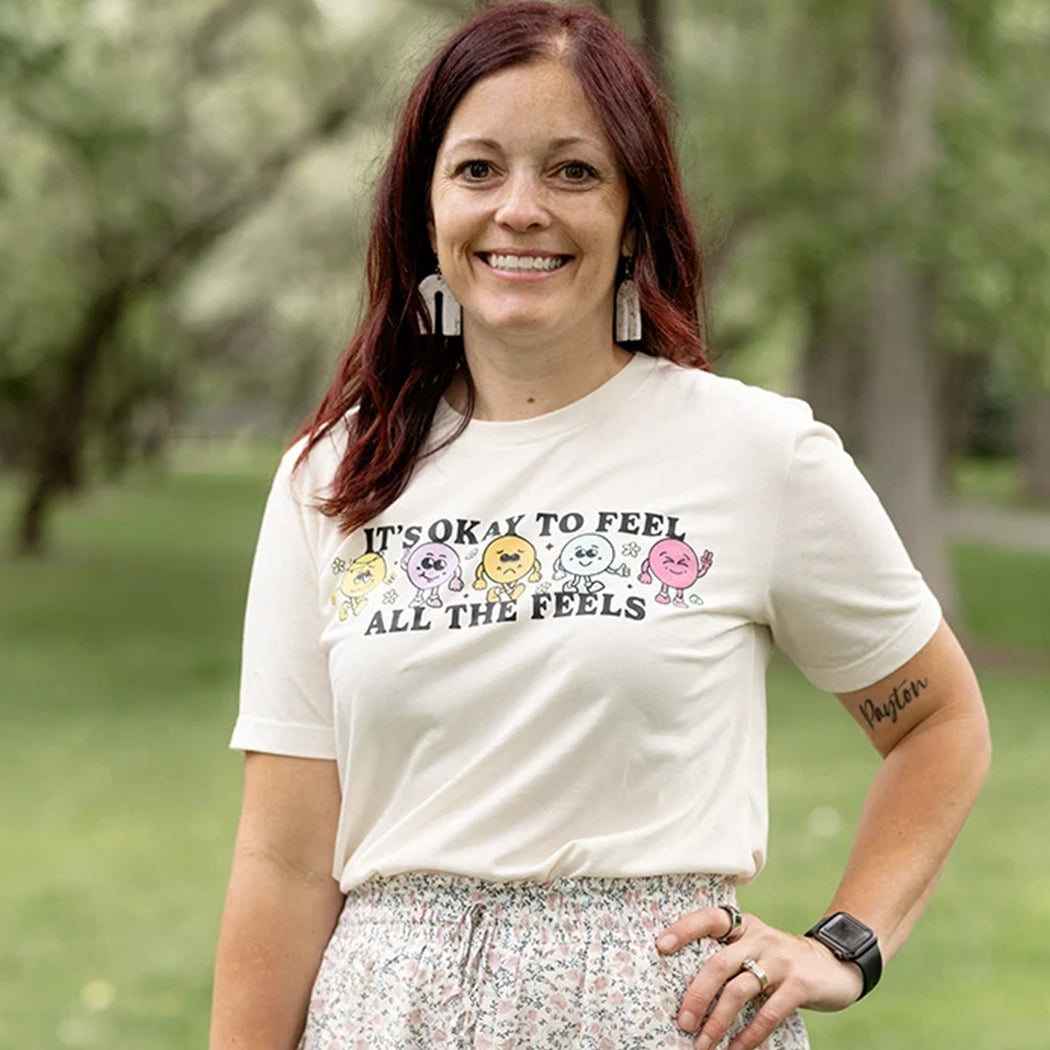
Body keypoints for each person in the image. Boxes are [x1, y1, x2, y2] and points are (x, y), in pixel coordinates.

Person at [209, 4, 990, 1048]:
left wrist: (844, 944)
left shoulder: (755, 453)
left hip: (658, 1019)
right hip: (382, 1019)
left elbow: (937, 723)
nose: (520, 209)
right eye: (478, 170)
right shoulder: (336, 477)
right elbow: (284, 860)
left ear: (635, 214)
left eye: (573, 172)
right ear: (422, 210)